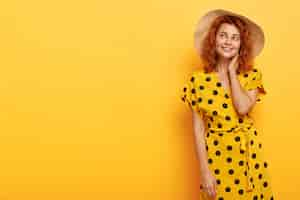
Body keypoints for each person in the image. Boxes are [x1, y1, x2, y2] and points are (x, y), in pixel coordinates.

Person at [180, 9, 275, 200]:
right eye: (223, 35)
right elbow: (198, 130)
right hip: (217, 156)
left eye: (234, 38)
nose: (228, 41)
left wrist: (232, 72)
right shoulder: (197, 81)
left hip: (249, 156)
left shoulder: (251, 76)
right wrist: (205, 171)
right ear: (213, 39)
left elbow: (242, 108)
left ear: (242, 45)